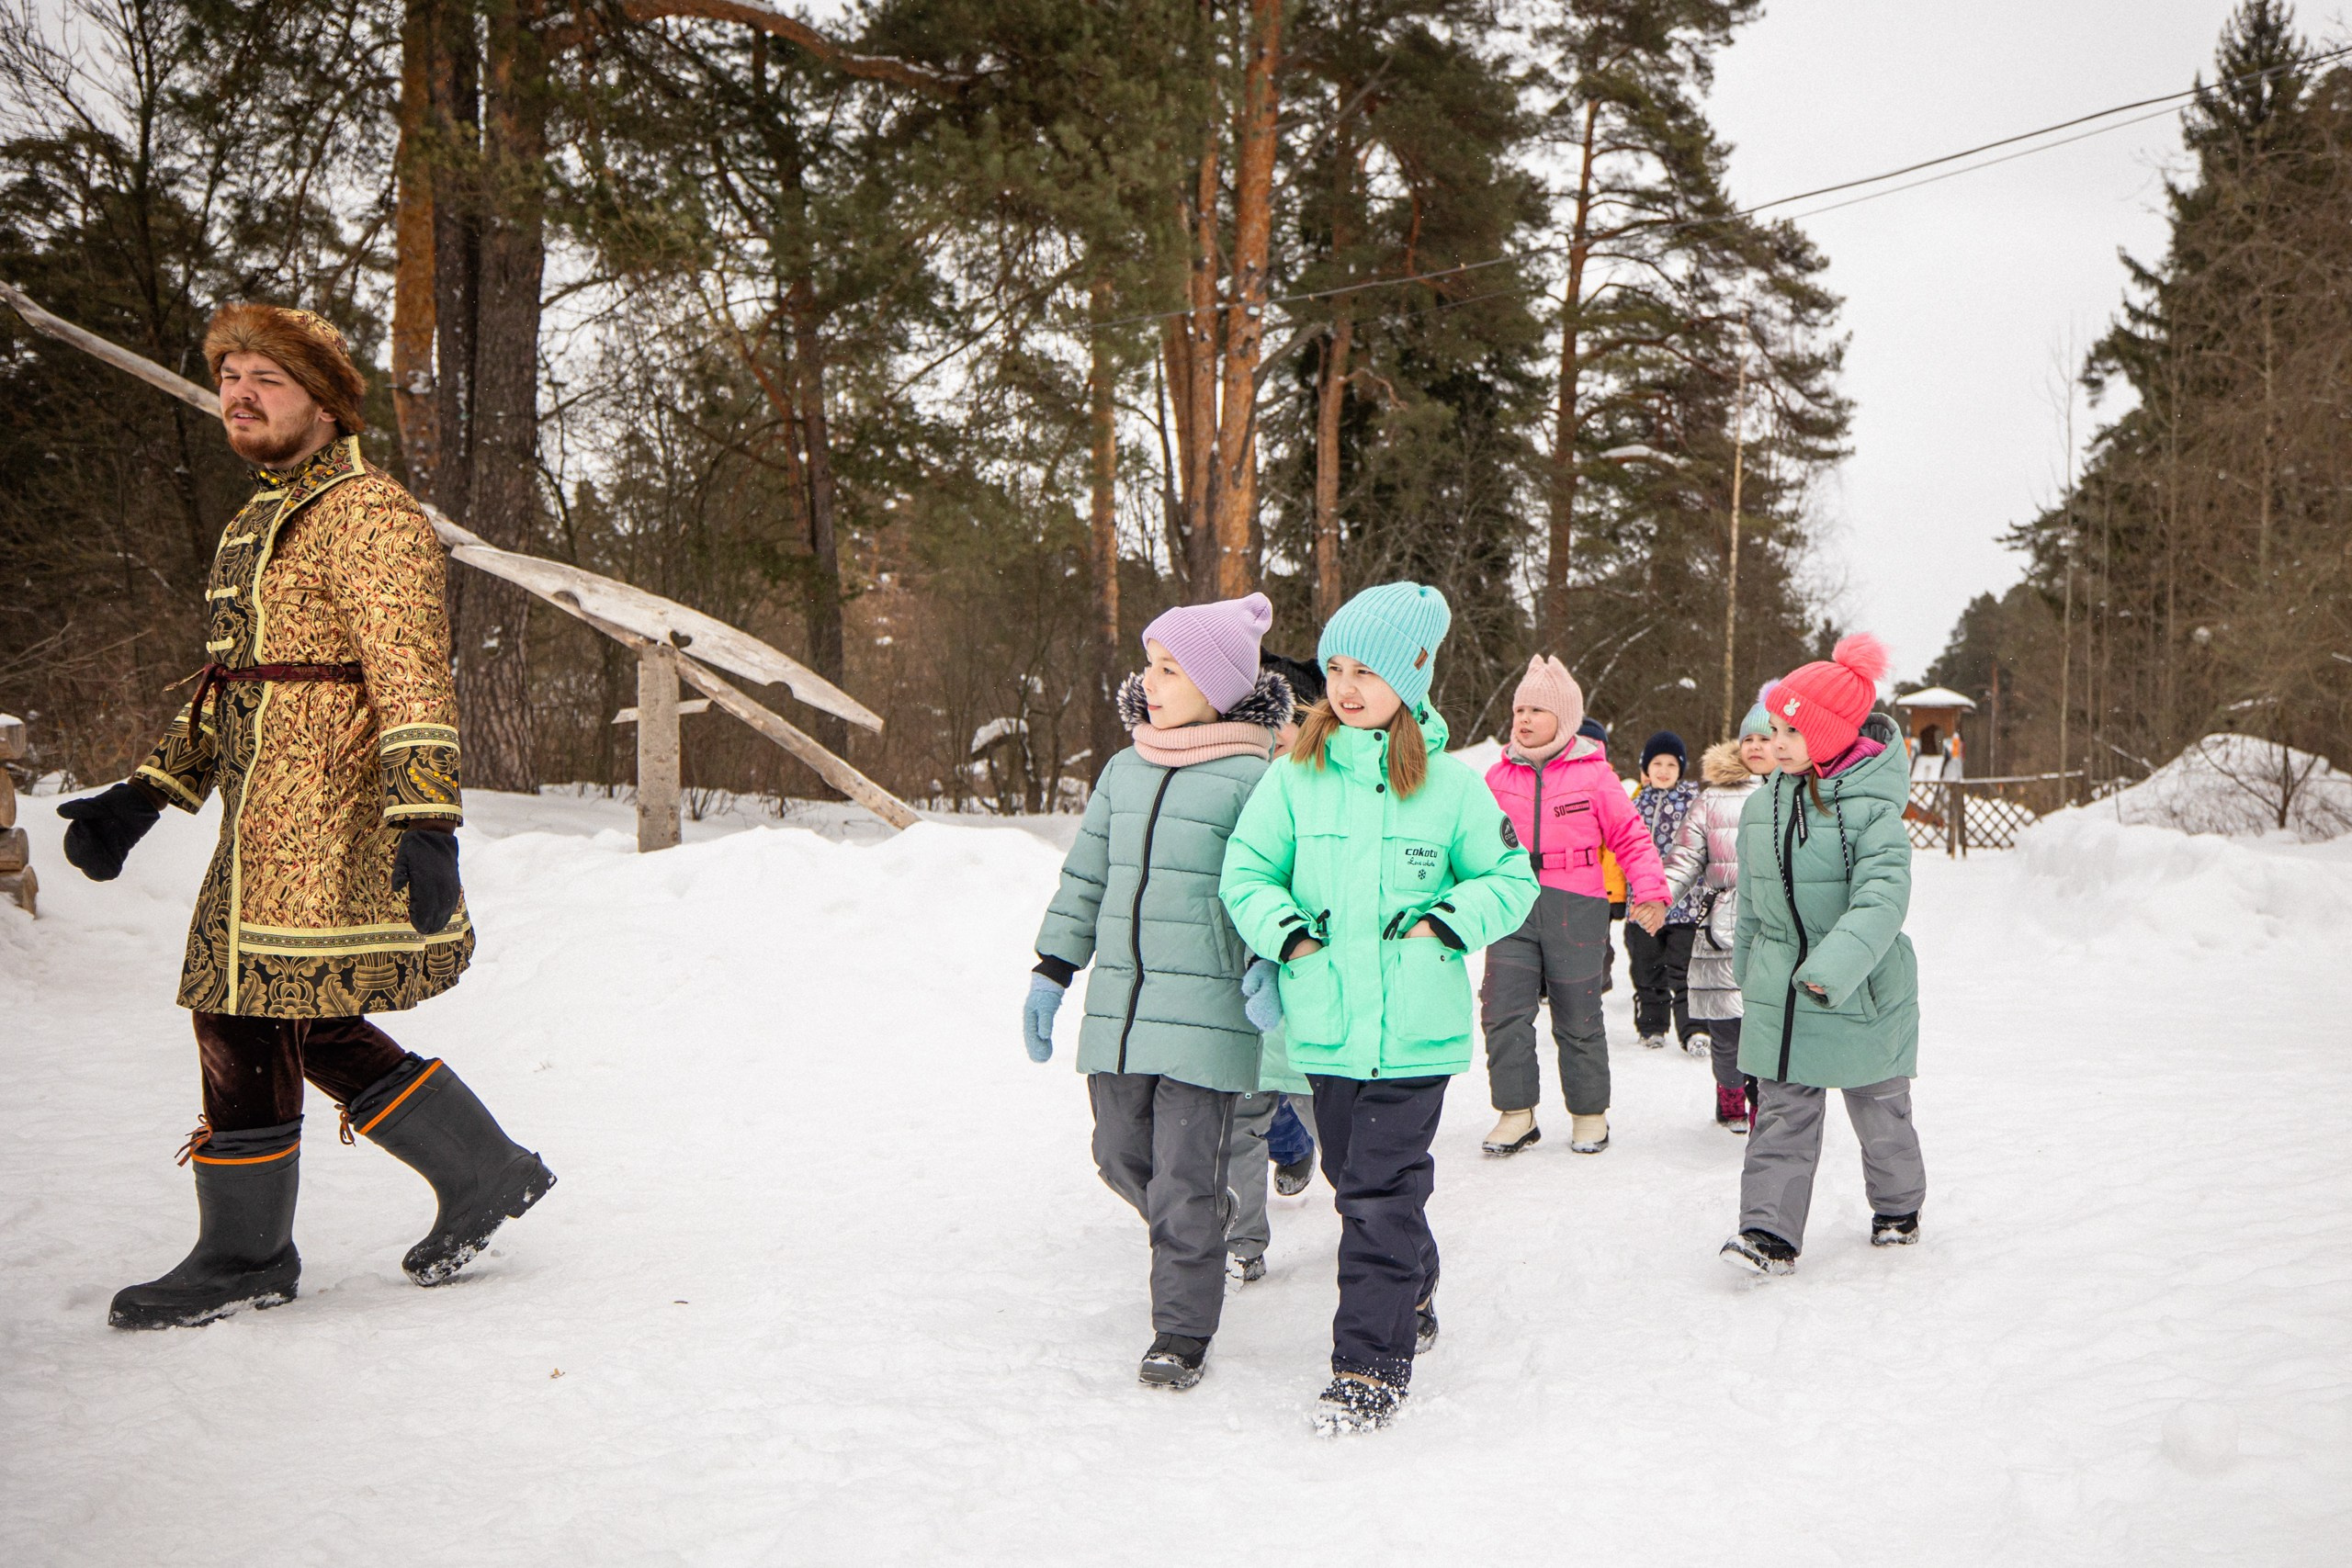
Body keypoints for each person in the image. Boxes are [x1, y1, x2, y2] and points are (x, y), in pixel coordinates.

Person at [57, 303, 554, 1331]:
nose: (237, 392)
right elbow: (234, 682)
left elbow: (412, 668)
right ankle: (484, 1169)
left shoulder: (369, 513)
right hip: (264, 806)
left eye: (264, 378)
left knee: (243, 1003)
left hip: (335, 808)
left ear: (323, 404)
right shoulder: (261, 519)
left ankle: (245, 1254)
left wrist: (429, 820)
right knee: (293, 1002)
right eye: (228, 375)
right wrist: (145, 794)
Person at [1221, 582, 1538, 1433]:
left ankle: (1368, 1365)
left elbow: (1512, 880)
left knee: (1378, 1194)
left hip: (1415, 1037)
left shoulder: (1451, 787)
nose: (1348, 685)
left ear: (1413, 675)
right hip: (1326, 1028)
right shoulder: (1296, 777)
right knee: (1355, 1183)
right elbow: (1246, 872)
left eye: (1368, 668)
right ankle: (1413, 1280)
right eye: (1336, 667)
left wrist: (1446, 919)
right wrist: (1288, 936)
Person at [1025, 594, 1294, 1389]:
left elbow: (1273, 880)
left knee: (1183, 1175)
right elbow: (1085, 878)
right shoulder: (1124, 767)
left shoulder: (1254, 776)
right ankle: (1200, 1234)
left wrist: (1271, 960)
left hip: (1210, 1015)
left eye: (1169, 668)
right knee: (1118, 1154)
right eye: (1150, 663)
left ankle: (1180, 1330)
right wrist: (1053, 967)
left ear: (1216, 686)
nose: (1150, 681)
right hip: (1124, 1009)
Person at [1722, 635, 1926, 1276]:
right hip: (1783, 991)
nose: (1776, 741)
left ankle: (1898, 1206)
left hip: (1861, 988)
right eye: (1773, 727)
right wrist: (1750, 967)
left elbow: (1882, 899)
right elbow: (1752, 900)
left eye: (1793, 729)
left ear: (1834, 733)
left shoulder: (1874, 813)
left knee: (1881, 1112)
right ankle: (1768, 1232)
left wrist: (1833, 968)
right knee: (1781, 1112)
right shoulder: (1761, 807)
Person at [1478, 660, 1668, 1158]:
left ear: (1563, 718)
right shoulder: (1497, 777)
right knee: (1503, 1011)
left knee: (1578, 1015)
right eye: (1519, 708)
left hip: (1577, 906)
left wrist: (1650, 890)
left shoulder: (1595, 775)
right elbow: (1467, 843)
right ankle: (1516, 1113)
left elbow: (1630, 836)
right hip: (1512, 905)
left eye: (1536, 709)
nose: (1523, 718)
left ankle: (1589, 1114)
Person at [1223, 649, 1325, 1283]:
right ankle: (1241, 1242)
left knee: (1332, 1122)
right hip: (1245, 997)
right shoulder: (1234, 781)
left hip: (1314, 996)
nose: (1276, 727)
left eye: (1291, 714)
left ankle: (1372, 1236)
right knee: (1239, 1122)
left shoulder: (1328, 791)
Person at [1662, 694, 1775, 1130]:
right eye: (1748, 738)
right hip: (1724, 924)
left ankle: (1764, 1099)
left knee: (1770, 1023)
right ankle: (1729, 1087)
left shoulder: (1800, 794)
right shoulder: (1713, 799)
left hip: (1779, 927)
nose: (1755, 746)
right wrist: (1659, 897)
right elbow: (1686, 858)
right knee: (1727, 1025)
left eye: (1766, 737)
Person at [1626, 731, 1702, 1051]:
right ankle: (1652, 1026)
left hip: (1684, 904)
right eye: (1657, 763)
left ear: (1681, 769)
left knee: (1685, 971)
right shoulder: (1633, 804)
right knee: (1646, 967)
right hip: (1642, 902)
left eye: (1671, 764)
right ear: (1646, 767)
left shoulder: (1693, 802)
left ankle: (1694, 1029)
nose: (1664, 770)